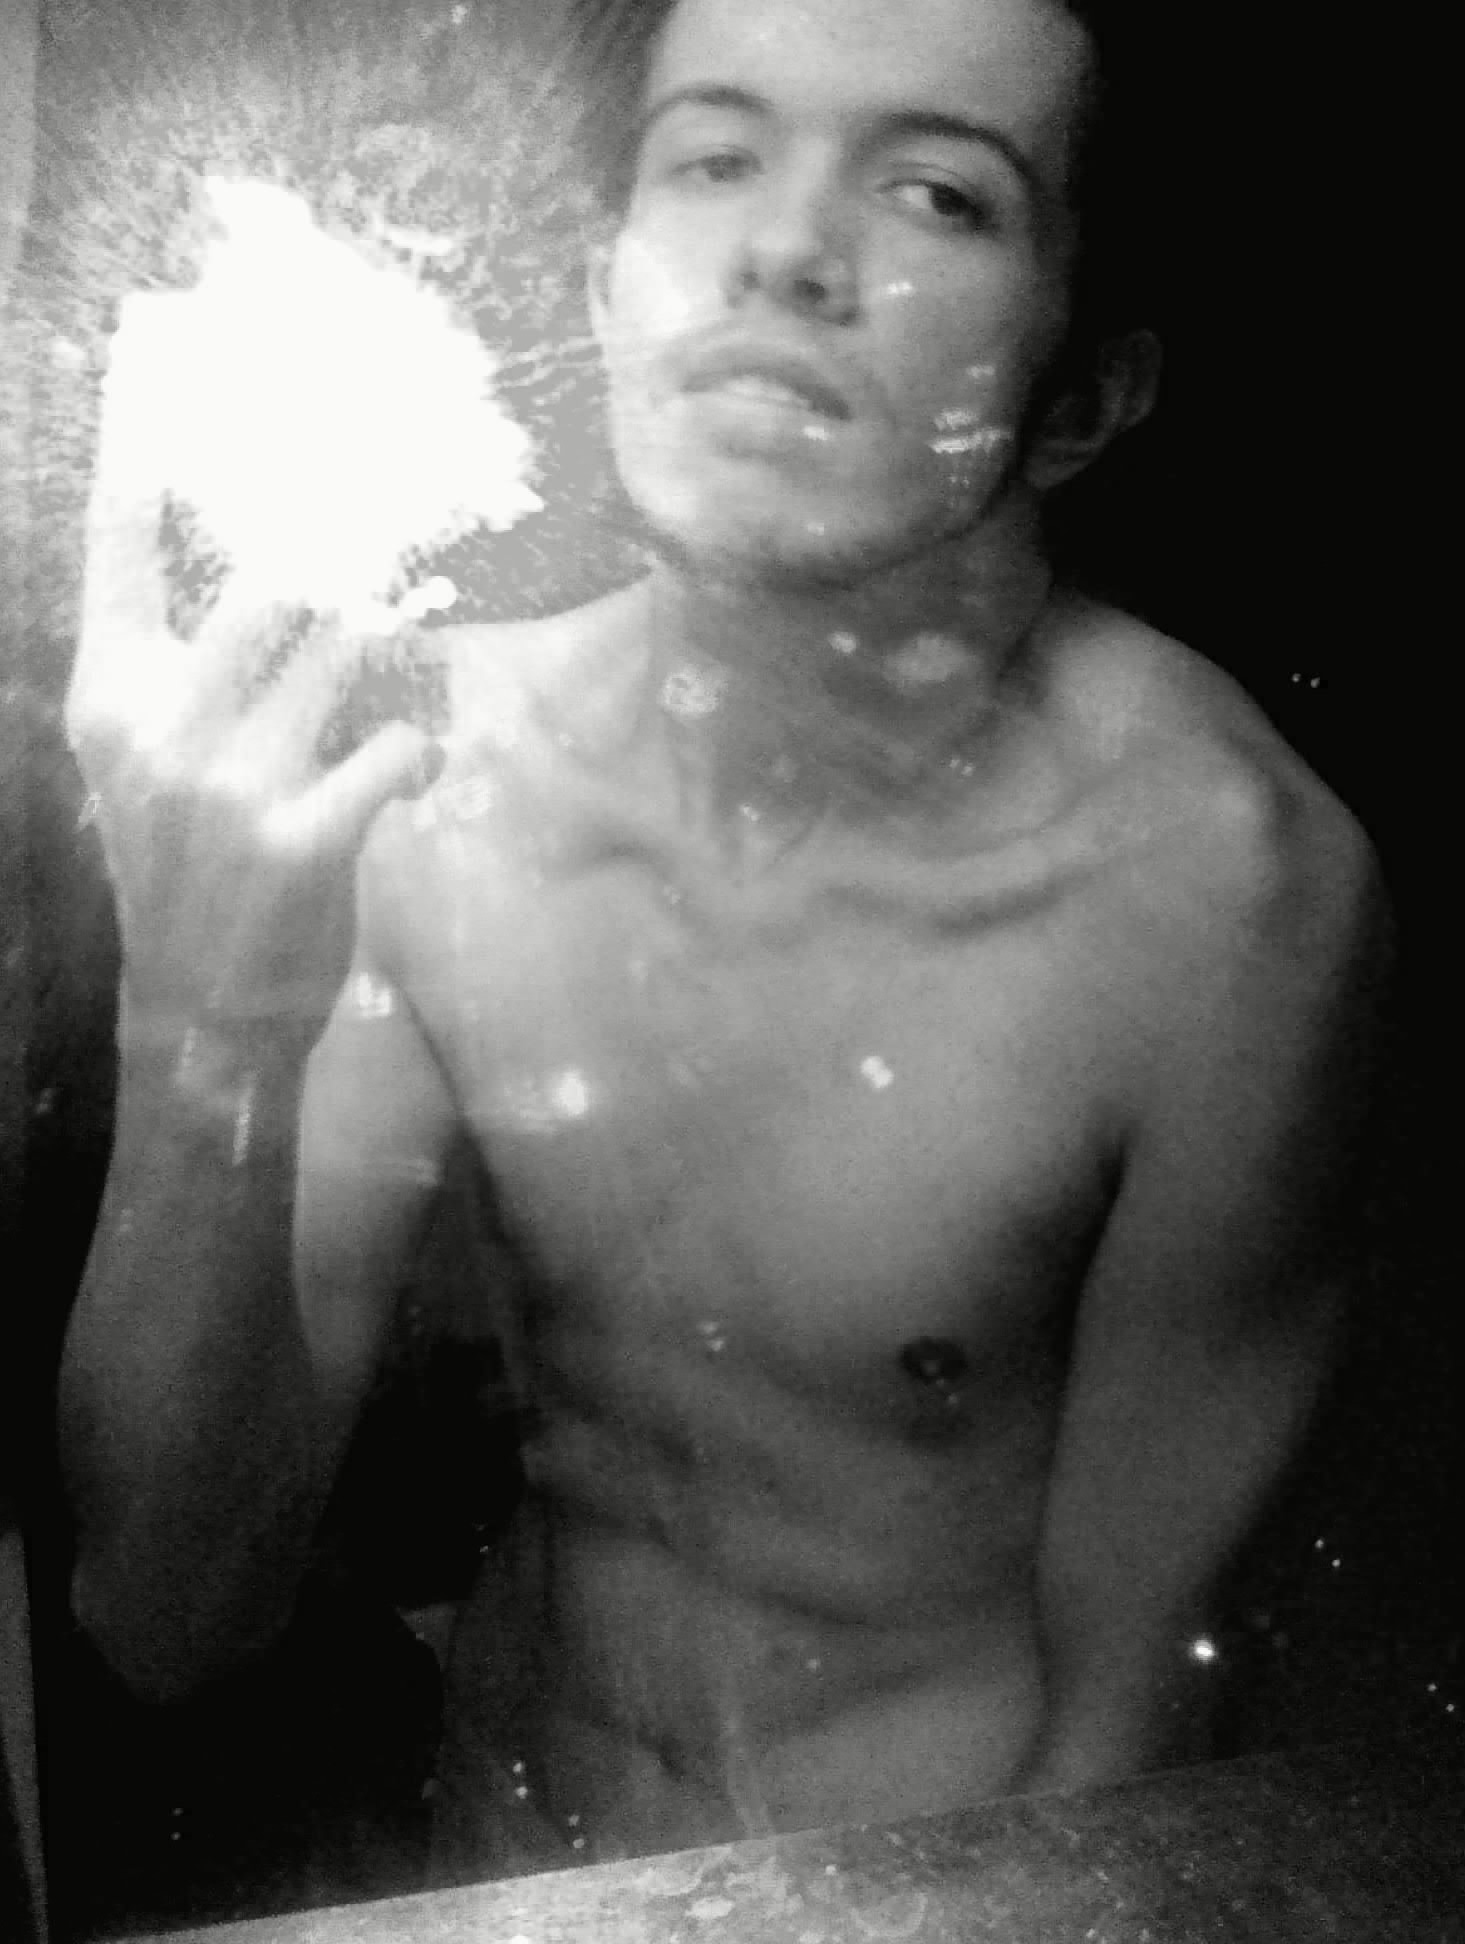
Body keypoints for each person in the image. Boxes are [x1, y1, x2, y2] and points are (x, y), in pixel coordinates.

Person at [59, 0, 1389, 1883]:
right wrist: (203, 1021)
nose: (782, 247)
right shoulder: (432, 775)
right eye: (712, 156)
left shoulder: (1226, 899)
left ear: (1085, 395)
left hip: (939, 1902)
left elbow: (1139, 1703)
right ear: (606, 296)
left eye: (937, 192)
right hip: (519, 1862)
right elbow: (167, 1611)